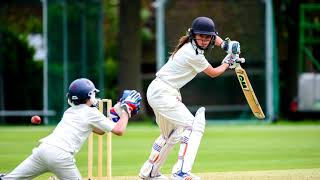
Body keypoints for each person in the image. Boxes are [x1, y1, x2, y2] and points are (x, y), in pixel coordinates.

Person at [138, 16, 243, 180]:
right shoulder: (192, 54)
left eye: (207, 37)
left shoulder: (192, 45)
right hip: (163, 92)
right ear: (193, 35)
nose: (204, 40)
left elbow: (215, 39)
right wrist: (228, 61)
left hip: (162, 91)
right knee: (193, 126)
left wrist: (226, 45)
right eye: (201, 37)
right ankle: (181, 171)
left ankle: (150, 172)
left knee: (172, 134)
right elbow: (213, 73)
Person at [1, 78, 141, 180]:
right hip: (60, 156)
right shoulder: (90, 113)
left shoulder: (70, 111)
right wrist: (126, 110)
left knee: (10, 179)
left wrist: (112, 118)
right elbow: (119, 130)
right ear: (90, 96)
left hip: (43, 150)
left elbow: (100, 130)